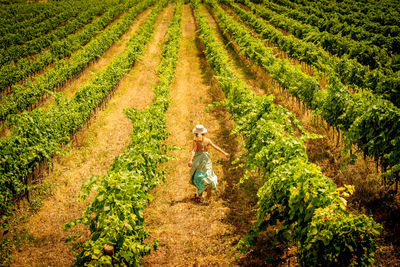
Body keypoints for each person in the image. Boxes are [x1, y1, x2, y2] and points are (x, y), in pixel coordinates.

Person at [188, 125, 229, 201]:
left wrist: (190, 160)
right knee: (207, 174)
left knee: (198, 176)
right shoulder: (207, 140)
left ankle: (200, 195)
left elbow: (193, 150)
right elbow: (216, 147)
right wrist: (224, 153)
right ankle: (208, 193)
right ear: (204, 133)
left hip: (198, 159)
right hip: (206, 159)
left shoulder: (195, 141)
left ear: (196, 134)